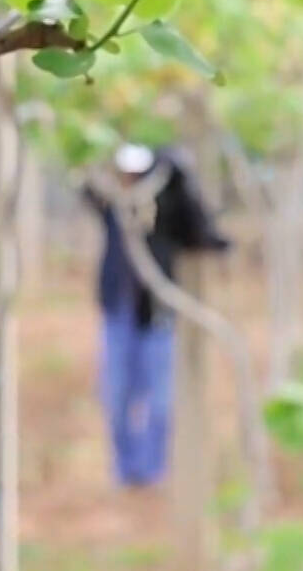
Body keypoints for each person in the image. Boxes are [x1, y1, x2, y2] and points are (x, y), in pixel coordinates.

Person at [83, 142, 229, 488]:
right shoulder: (113, 208)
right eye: (126, 174)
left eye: (137, 174)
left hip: (156, 317)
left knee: (160, 401)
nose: (131, 180)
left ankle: (151, 471)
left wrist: (179, 177)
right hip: (119, 315)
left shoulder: (167, 212)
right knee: (116, 396)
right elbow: (87, 191)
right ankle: (125, 470)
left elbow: (203, 233)